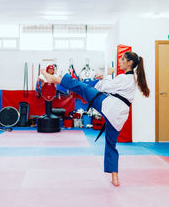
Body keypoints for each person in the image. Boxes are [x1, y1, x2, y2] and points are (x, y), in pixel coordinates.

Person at [41, 51, 149, 187]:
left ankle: (55, 79)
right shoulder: (131, 79)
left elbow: (105, 86)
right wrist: (104, 78)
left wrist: (104, 78)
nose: (120, 61)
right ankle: (115, 177)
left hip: (110, 107)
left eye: (122, 59)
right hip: (119, 116)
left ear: (129, 63)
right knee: (111, 144)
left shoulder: (125, 78)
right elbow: (112, 88)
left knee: (83, 87)